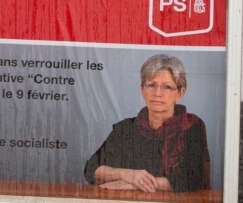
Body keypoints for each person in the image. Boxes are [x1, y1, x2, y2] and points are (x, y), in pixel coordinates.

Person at [83, 54, 210, 194]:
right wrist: (127, 175)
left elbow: (193, 180)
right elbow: (91, 169)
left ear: (180, 93)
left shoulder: (192, 126)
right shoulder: (126, 129)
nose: (157, 93)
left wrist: (140, 184)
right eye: (151, 85)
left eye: (167, 87)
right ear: (142, 90)